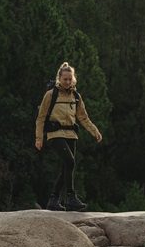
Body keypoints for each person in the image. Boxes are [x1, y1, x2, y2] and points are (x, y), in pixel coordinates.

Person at [34, 62, 103, 211]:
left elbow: (83, 117)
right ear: (59, 78)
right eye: (65, 79)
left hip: (71, 134)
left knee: (67, 166)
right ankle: (71, 197)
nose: (67, 82)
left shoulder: (76, 96)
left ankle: (53, 199)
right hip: (55, 134)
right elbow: (41, 117)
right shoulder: (51, 95)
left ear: (73, 79)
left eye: (69, 79)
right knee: (70, 161)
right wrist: (39, 138)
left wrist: (95, 131)